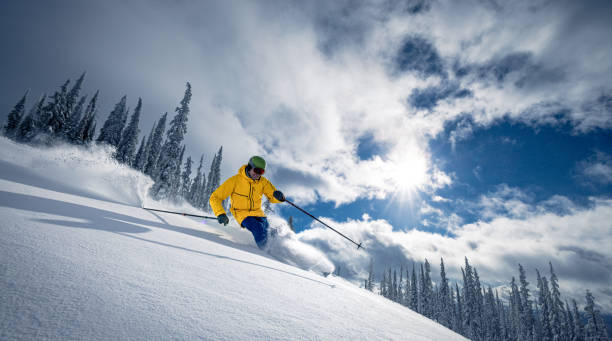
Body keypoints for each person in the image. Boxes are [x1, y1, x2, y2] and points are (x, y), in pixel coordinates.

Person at [209, 156, 285, 249]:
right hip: (242, 213)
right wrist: (220, 213)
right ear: (249, 167)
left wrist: (279, 197)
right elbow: (215, 197)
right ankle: (267, 254)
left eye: (261, 172)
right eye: (256, 170)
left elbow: (272, 197)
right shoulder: (235, 180)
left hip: (258, 214)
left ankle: (280, 252)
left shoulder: (263, 182)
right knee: (258, 228)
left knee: (269, 233)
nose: (258, 174)